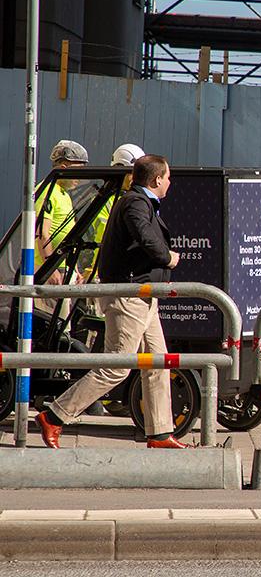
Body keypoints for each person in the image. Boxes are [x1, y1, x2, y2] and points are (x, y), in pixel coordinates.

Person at [36, 154, 187, 449]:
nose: (169, 183)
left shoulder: (142, 203)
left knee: (158, 363)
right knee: (117, 365)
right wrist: (168, 257)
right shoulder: (135, 203)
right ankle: (55, 415)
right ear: (157, 179)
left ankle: (159, 433)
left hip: (145, 296)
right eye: (167, 177)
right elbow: (145, 237)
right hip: (129, 296)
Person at [80, 143, 145, 280]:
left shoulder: (135, 199)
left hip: (121, 270)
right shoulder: (105, 200)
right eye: (132, 173)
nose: (135, 178)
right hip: (104, 270)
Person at [36, 140, 88, 287]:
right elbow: (42, 233)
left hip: (62, 267)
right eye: (78, 171)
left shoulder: (64, 195)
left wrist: (75, 268)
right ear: (63, 168)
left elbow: (68, 236)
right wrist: (49, 269)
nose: (81, 177)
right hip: (47, 268)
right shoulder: (47, 191)